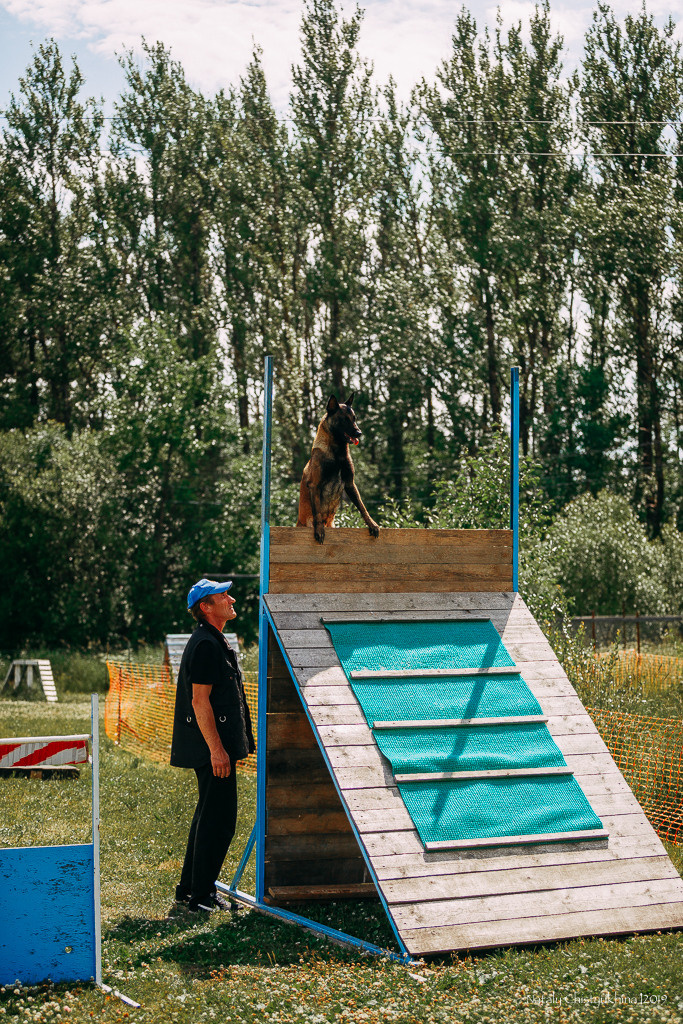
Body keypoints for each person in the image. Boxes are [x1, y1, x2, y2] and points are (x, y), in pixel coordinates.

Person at [170, 578, 255, 913]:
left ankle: (190, 888)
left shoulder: (212, 640)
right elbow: (199, 702)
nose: (231, 598)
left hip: (212, 746)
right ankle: (202, 896)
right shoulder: (206, 644)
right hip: (211, 748)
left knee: (208, 815)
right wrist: (217, 751)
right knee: (220, 821)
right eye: (223, 596)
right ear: (206, 607)